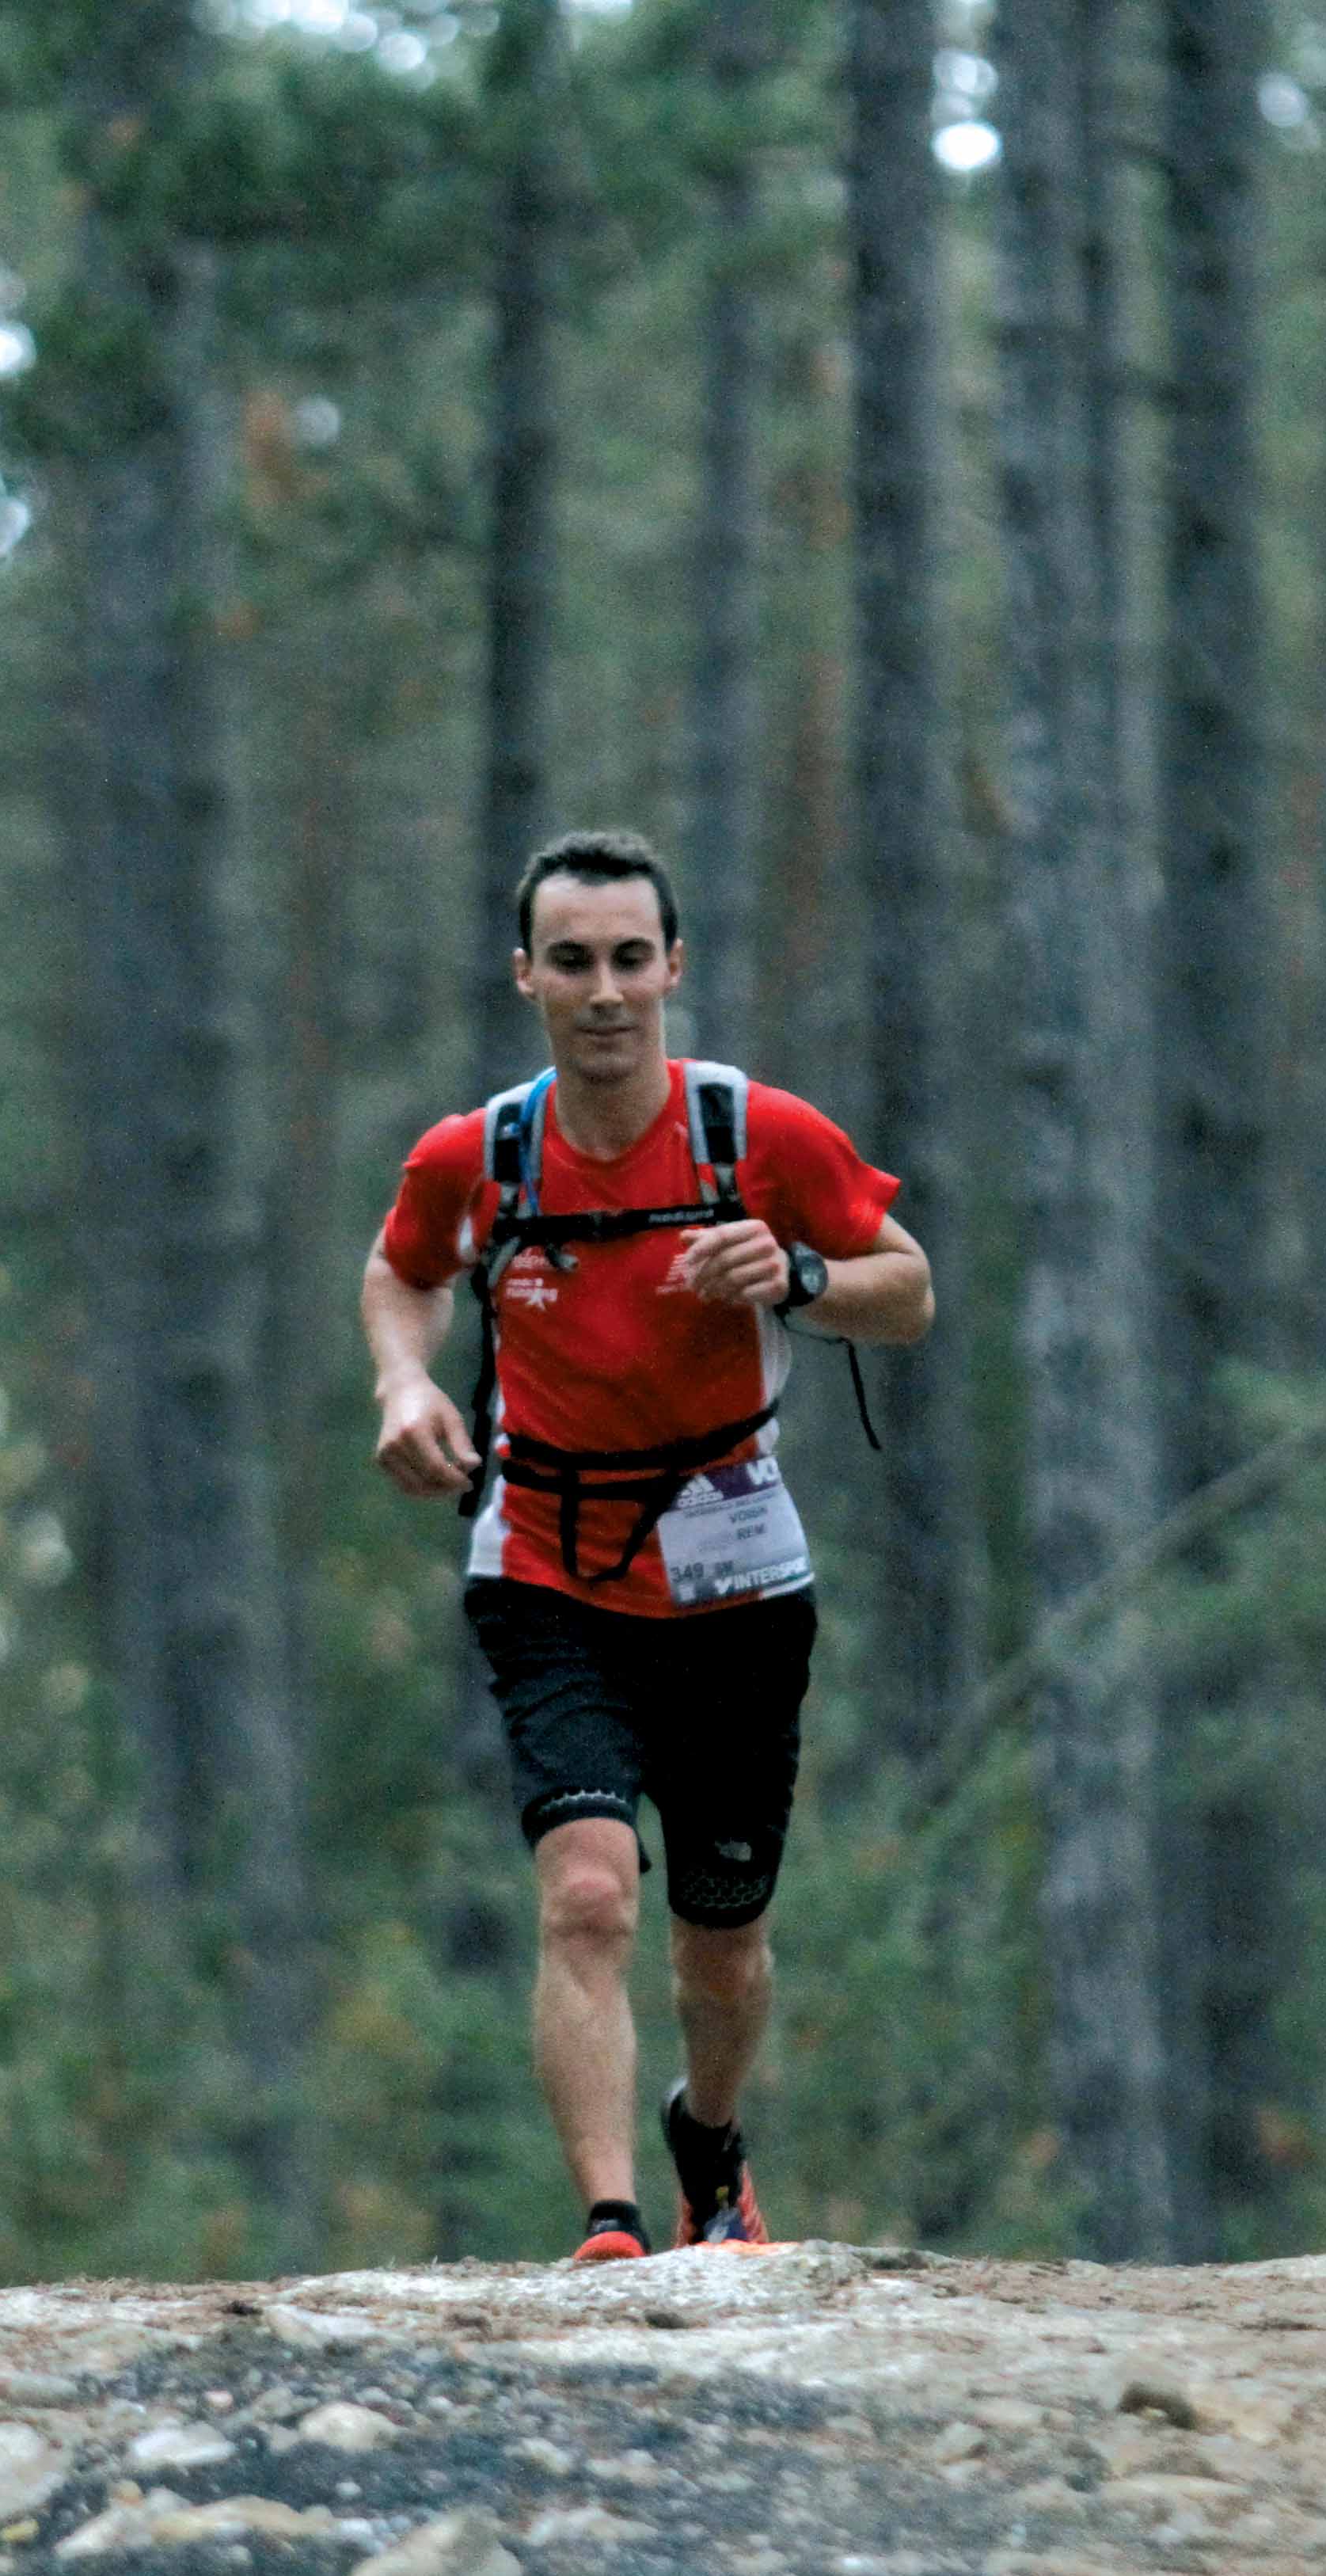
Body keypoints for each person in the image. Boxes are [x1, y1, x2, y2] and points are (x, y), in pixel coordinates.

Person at [360, 830, 936, 2262]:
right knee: (589, 1888)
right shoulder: (479, 1154)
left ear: (673, 967)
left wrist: (800, 1274)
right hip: (547, 1557)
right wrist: (404, 1381)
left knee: (722, 1942)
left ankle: (709, 2141)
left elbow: (909, 1292)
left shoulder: (758, 1137)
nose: (604, 990)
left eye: (630, 959)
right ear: (526, 978)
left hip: (737, 1571)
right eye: (573, 962)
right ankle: (612, 2226)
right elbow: (403, 1269)